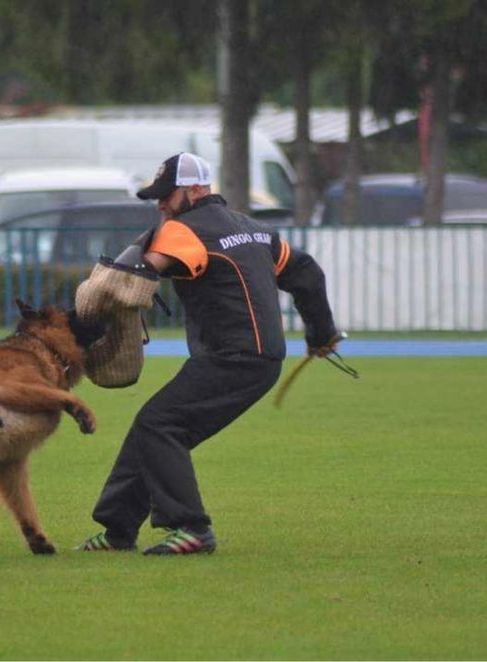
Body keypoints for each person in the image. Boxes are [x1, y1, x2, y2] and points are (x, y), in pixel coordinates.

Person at [76, 152, 341, 555]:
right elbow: (306, 273)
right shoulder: (255, 230)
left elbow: (129, 279)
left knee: (160, 425)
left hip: (232, 357)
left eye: (168, 195)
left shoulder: (183, 231)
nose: (161, 204)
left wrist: (78, 327)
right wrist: (321, 333)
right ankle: (118, 530)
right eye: (158, 197)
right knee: (154, 427)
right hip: (259, 358)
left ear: (197, 190)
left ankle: (192, 528)